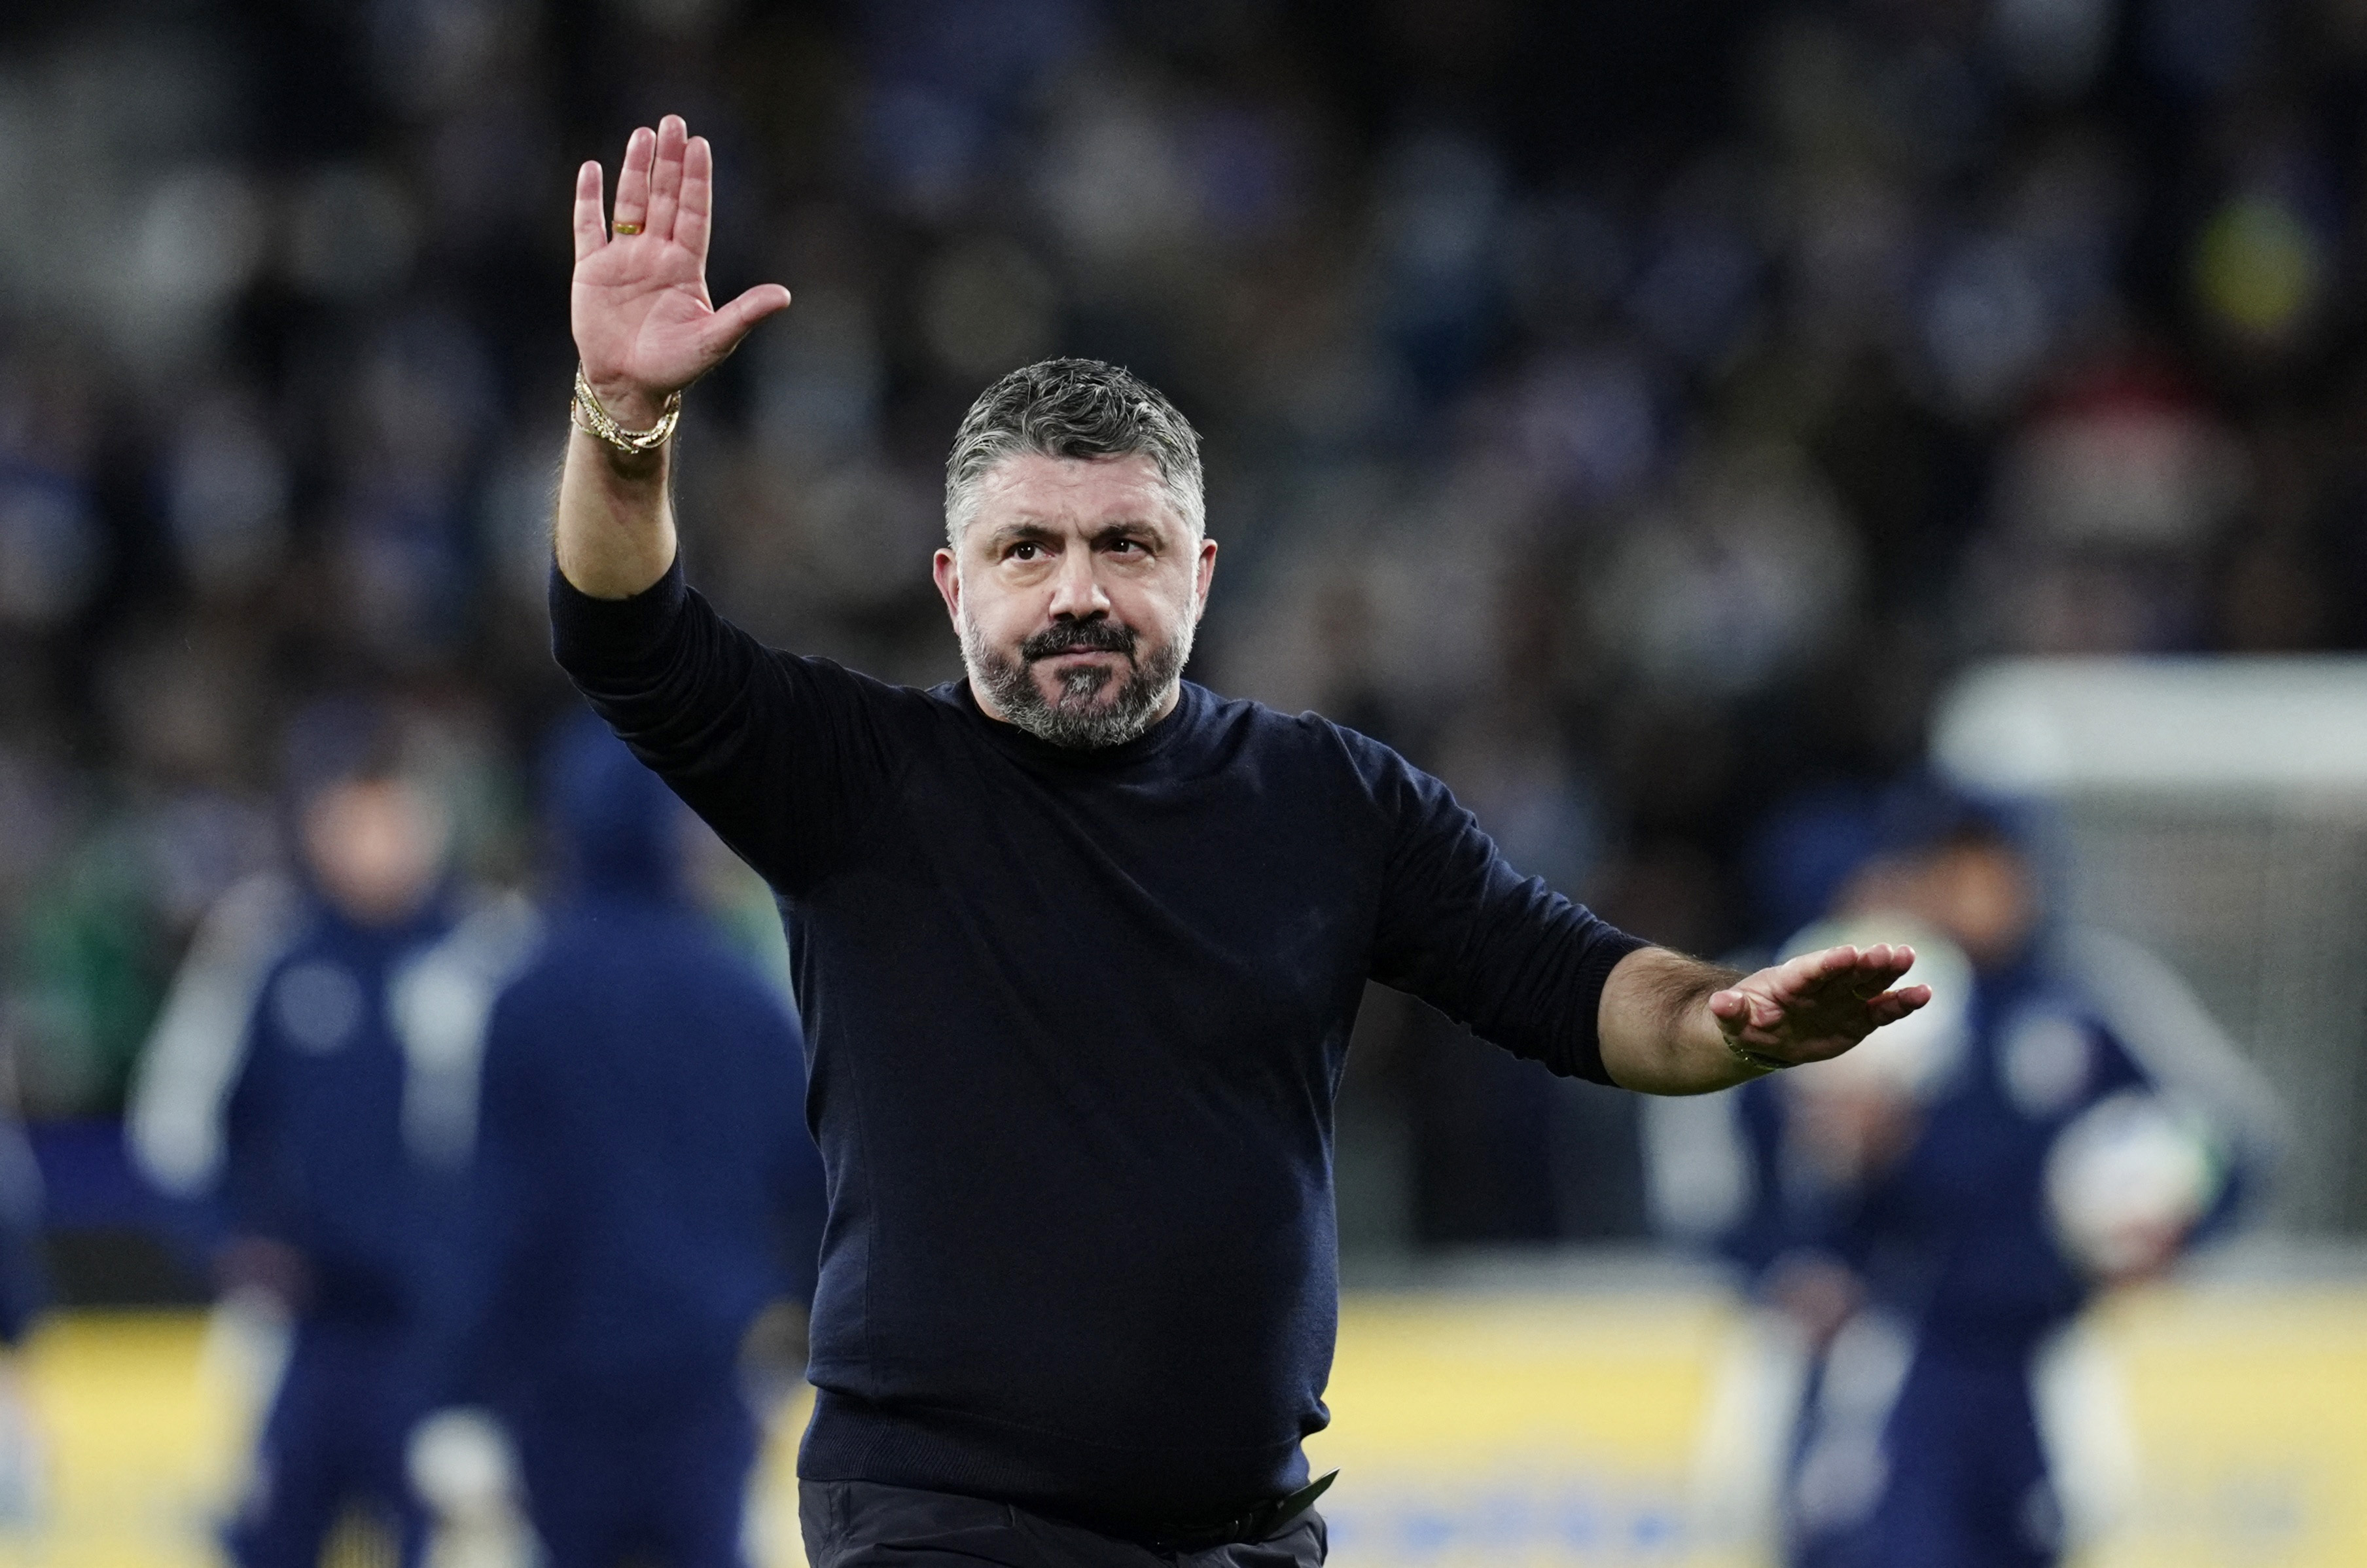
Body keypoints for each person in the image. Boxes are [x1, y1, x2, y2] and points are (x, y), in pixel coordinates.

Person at [550, 115, 1932, 1568]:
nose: (1075, 591)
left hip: (1243, 1533)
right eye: (1029, 549)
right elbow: (623, 635)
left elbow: (1573, 987)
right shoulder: (854, 777)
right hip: (941, 1525)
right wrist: (622, 424)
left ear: (1200, 574)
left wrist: (1723, 1019)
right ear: (953, 581)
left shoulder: (1327, 800)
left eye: (1124, 545)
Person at [1660, 788, 2278, 1568]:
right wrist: (1794, 1243)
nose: (1972, 887)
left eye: (1990, 864)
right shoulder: (1860, 990)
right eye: (1949, 865)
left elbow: (2225, 1136)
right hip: (1885, 1352)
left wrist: (2179, 1225)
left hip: (2035, 1351)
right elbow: (1744, 1188)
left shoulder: (2089, 995)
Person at [128, 705, 508, 1568]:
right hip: (302, 1334)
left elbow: (536, 1149)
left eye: (395, 808)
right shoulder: (267, 947)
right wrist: (229, 1241)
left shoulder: (488, 954)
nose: (376, 836)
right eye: (355, 810)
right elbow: (176, 1122)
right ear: (318, 820)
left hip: (441, 1336)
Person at [445, 713, 825, 1568]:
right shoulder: (740, 996)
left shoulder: (528, 996)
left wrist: (464, 1384)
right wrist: (796, 1325)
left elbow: (501, 1208)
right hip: (707, 1369)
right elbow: (813, 1179)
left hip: (560, 1380)